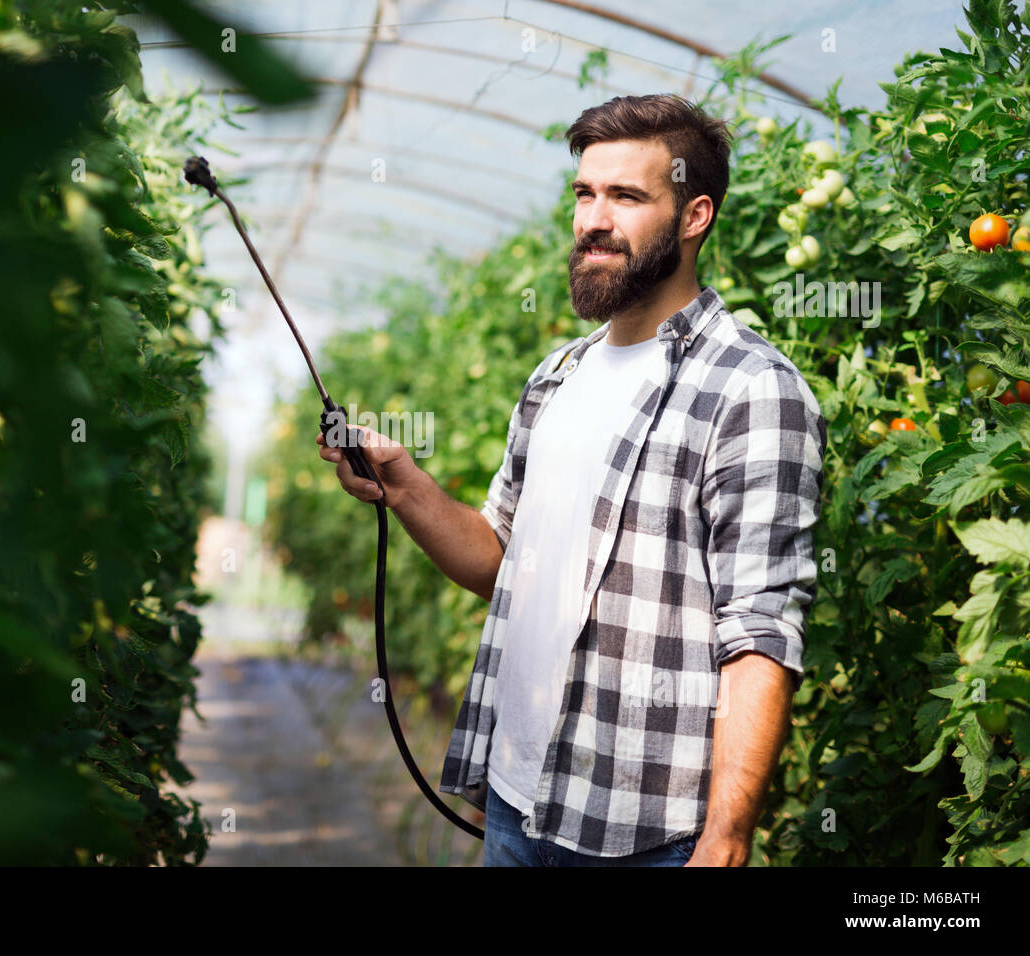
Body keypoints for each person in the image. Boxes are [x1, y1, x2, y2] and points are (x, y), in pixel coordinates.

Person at [316, 93, 826, 867]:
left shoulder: (752, 389)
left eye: (626, 196)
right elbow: (500, 559)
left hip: (643, 836)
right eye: (585, 194)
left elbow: (760, 632)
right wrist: (406, 487)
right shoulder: (557, 377)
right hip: (516, 806)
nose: (593, 219)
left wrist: (725, 838)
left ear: (694, 217)